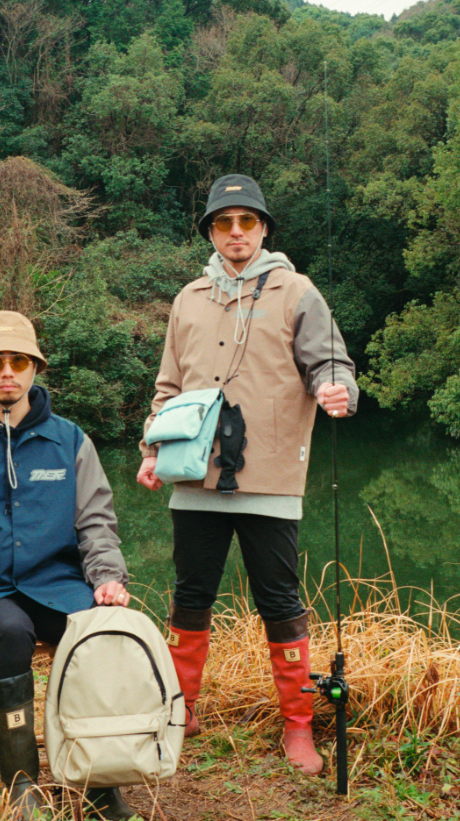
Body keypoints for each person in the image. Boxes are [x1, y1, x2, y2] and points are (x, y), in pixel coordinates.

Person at [136, 175, 358, 776]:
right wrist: (151, 450)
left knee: (280, 602)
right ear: (211, 231)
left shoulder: (298, 291)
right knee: (190, 597)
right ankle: (182, 710)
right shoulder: (187, 298)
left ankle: (298, 725)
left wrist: (336, 389)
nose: (236, 232)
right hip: (193, 476)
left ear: (263, 229)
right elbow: (168, 388)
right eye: (223, 222)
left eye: (247, 221)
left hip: (271, 478)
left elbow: (330, 362)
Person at [0, 310, 135, 821]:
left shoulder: (71, 441)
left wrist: (107, 578)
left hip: (58, 585)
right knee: (9, 632)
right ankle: (21, 785)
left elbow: (96, 522)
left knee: (99, 629)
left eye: (18, 361)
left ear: (35, 367)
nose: (7, 372)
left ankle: (101, 781)